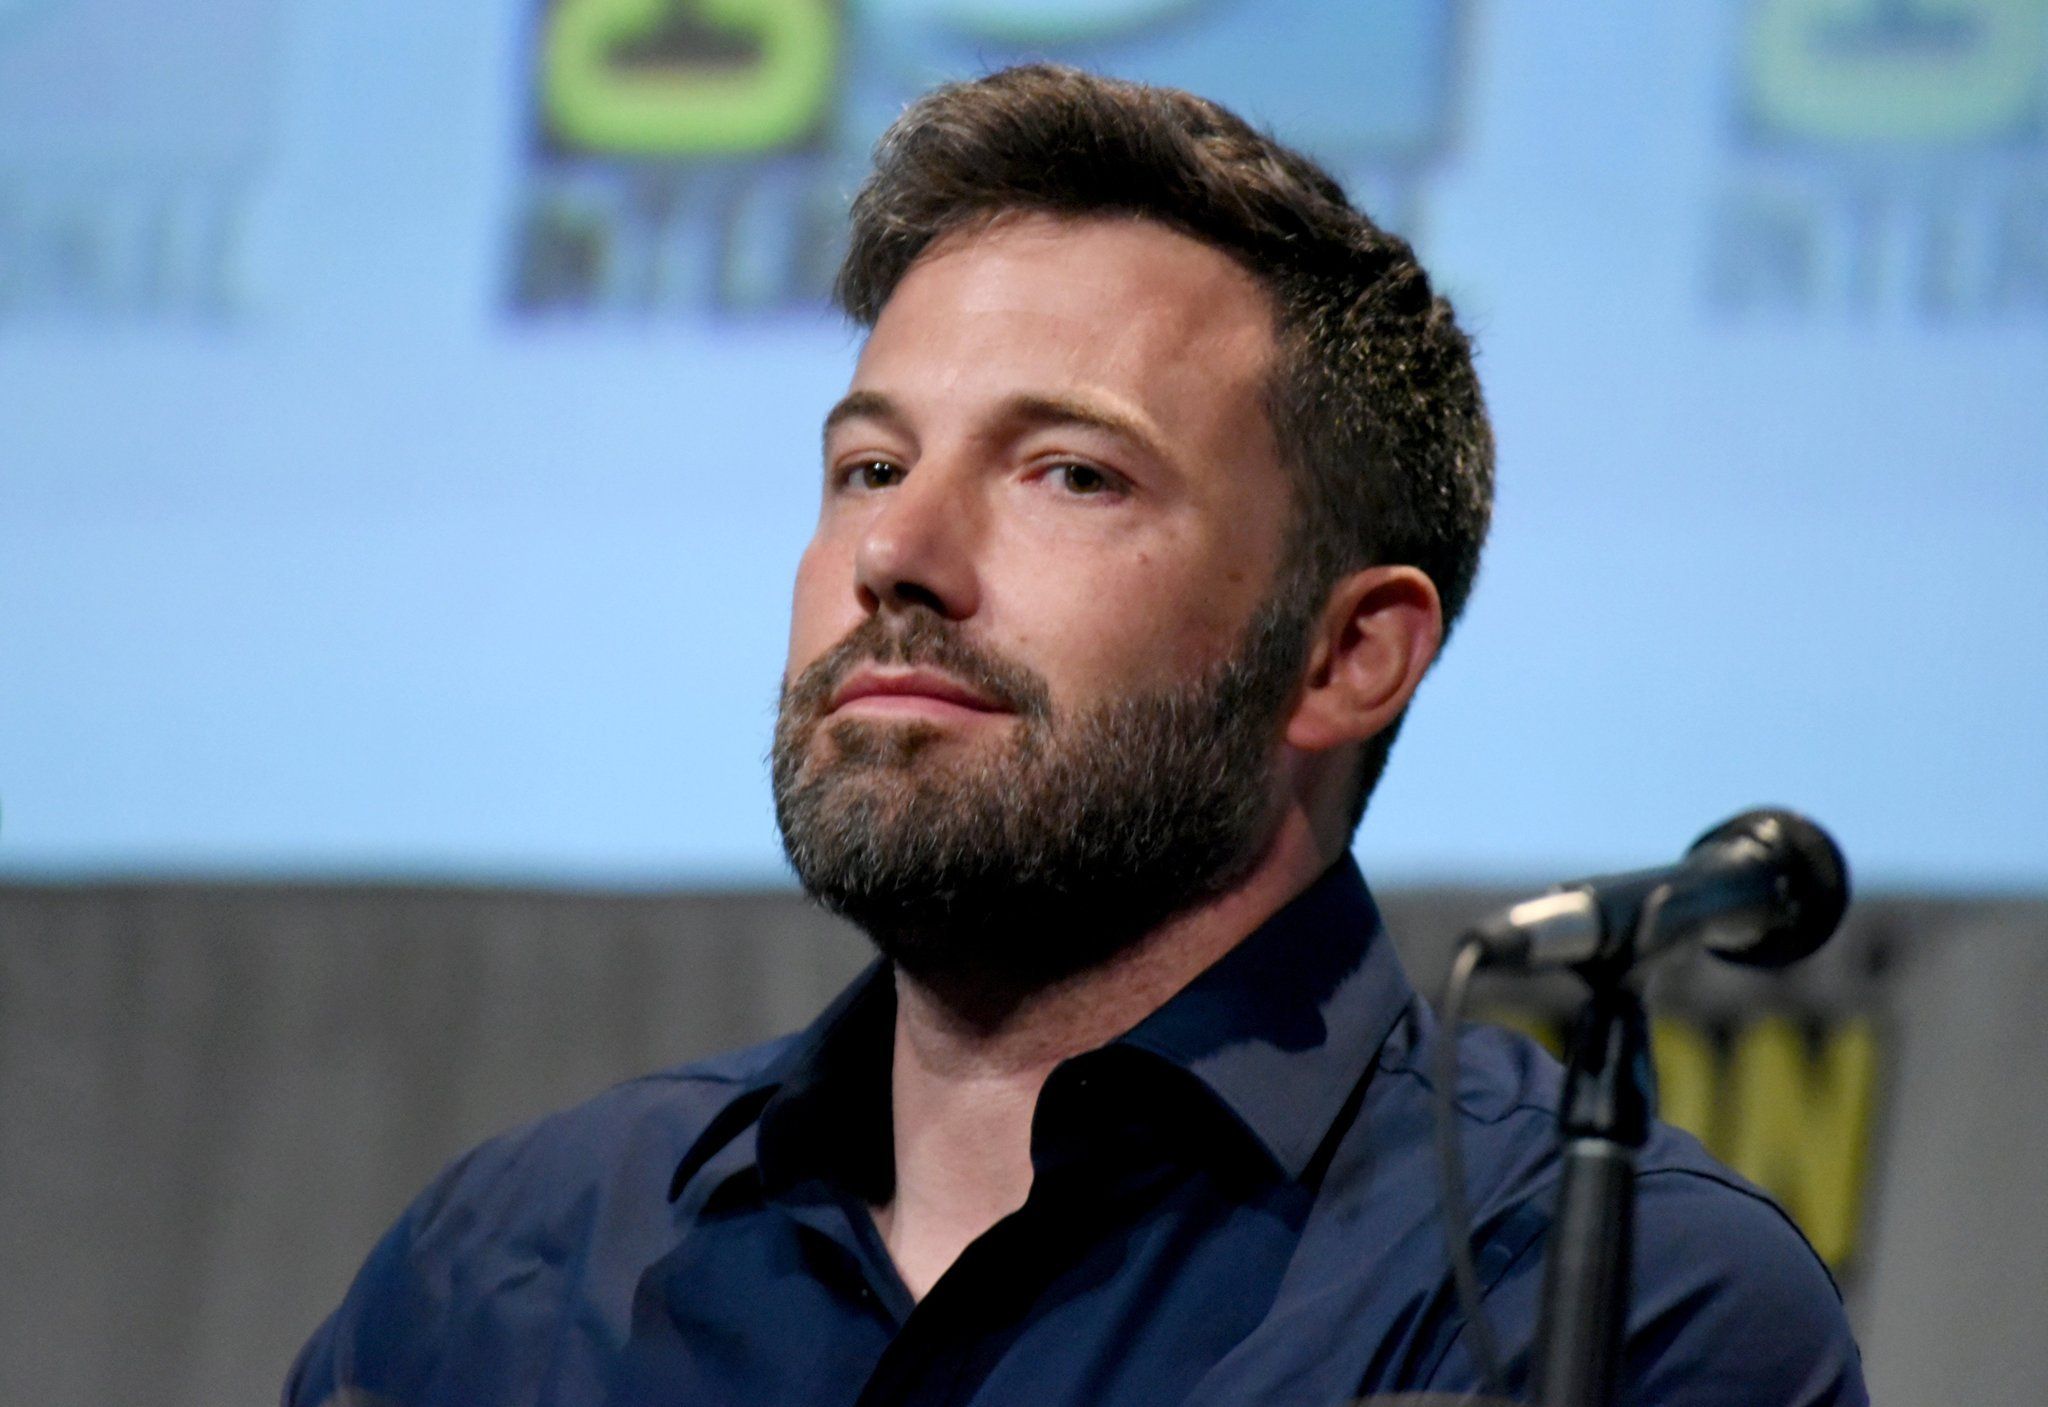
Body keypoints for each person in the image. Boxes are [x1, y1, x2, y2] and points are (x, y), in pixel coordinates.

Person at [286, 65, 1866, 1406]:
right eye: (871, 467)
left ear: (1346, 656)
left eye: (1070, 475)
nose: (896, 555)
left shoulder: (1594, 1307)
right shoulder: (514, 1266)